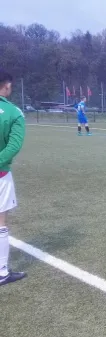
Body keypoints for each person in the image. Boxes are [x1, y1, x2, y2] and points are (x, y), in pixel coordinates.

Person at [0, 69, 27, 287]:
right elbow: (13, 146)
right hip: (0, 175)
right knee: (0, 222)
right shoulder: (14, 112)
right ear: (7, 85)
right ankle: (1, 271)